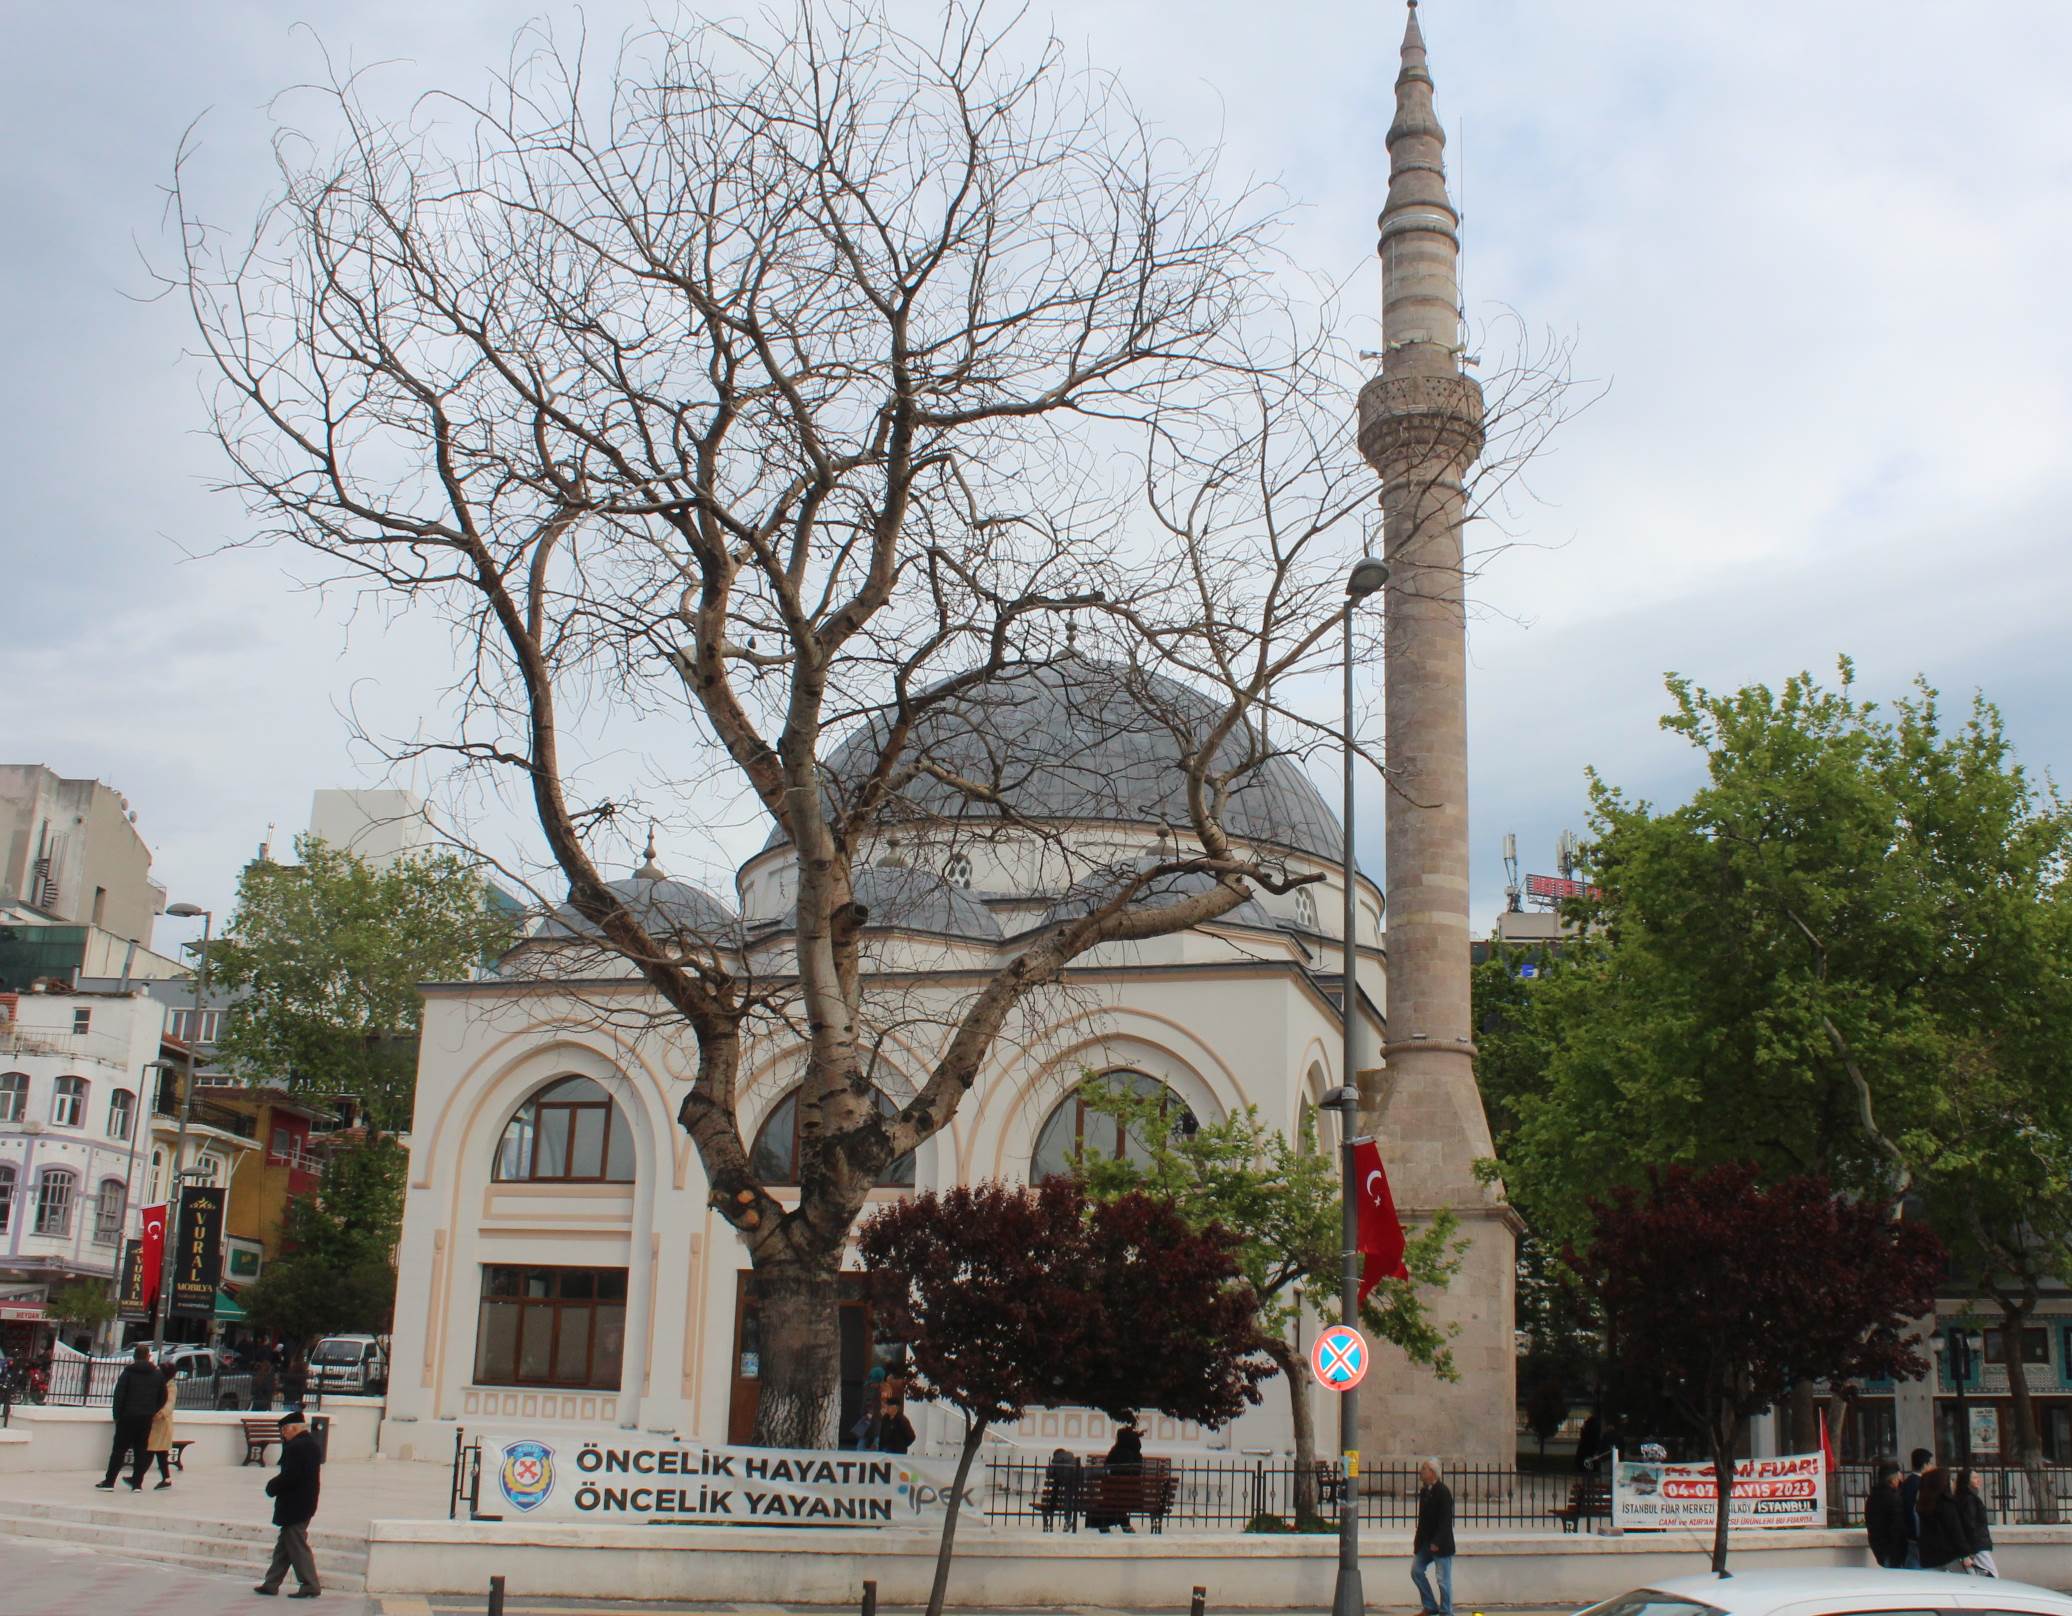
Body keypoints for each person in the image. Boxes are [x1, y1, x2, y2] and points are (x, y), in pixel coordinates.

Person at [254, 1407, 324, 1599]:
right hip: (303, 1503)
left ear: (293, 1429)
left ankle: (310, 1585)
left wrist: (272, 1486)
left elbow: (290, 1476)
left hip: (296, 1504)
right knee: (284, 1547)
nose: (283, 1434)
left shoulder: (297, 1447)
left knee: (297, 1546)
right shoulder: (309, 1444)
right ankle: (271, 1583)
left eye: (284, 1430)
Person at [97, 1346, 165, 1492]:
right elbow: (162, 1397)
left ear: (134, 1356)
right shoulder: (157, 1375)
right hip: (146, 1418)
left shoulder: (128, 1373)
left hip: (127, 1417)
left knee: (119, 1450)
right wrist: (152, 1411)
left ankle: (109, 1482)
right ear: (148, 1356)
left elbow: (119, 1395)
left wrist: (116, 1415)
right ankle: (137, 1484)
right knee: (141, 1450)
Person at [1412, 1458, 1456, 1616]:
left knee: (1443, 1580)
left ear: (1432, 1472)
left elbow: (1445, 1521)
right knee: (1416, 1571)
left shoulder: (1443, 1492)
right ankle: (1430, 1605)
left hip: (1440, 1544)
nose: (1421, 1471)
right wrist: (1418, 1542)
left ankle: (1446, 1611)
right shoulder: (1424, 1492)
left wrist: (1437, 1541)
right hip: (1426, 1543)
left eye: (1424, 1468)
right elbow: (1422, 1519)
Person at [1087, 1424, 1145, 1534]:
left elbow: (1107, 1470)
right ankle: (1125, 1524)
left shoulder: (1115, 1453)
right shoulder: (1137, 1455)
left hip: (1112, 1494)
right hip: (1132, 1496)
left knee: (1109, 1501)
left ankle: (1107, 1524)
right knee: (1118, 1500)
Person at [1916, 1466, 1969, 1571]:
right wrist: (1965, 1554)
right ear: (1944, 1483)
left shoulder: (1924, 1504)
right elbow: (1956, 1531)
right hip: (1948, 1556)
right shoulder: (1946, 1504)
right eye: (1951, 1480)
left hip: (1929, 1556)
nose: (1953, 1483)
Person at [1954, 1467, 1997, 1577]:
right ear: (1966, 1481)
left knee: (1976, 1576)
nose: (1978, 1480)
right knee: (1992, 1576)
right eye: (1974, 1478)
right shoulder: (1970, 1499)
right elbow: (1970, 1524)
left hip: (1975, 1546)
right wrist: (1970, 1552)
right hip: (1977, 1546)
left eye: (1978, 1477)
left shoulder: (1967, 1497)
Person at [1865, 1458, 1907, 1568]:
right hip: (1892, 1551)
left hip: (1879, 1547)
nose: (1900, 1480)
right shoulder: (1893, 1498)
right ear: (1893, 1479)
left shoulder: (1873, 1496)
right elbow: (1897, 1527)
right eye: (1898, 1477)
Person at [146, 1360, 179, 1489]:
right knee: (160, 1453)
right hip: (158, 1424)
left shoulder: (170, 1387)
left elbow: (169, 1405)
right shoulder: (160, 1384)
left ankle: (137, 1477)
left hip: (161, 1424)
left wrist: (158, 1414)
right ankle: (166, 1478)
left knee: (150, 1451)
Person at [1900, 1447, 1932, 1569]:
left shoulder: (1907, 1482)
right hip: (1917, 1534)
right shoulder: (1921, 1484)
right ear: (1925, 1465)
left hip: (1908, 1533)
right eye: (1930, 1464)